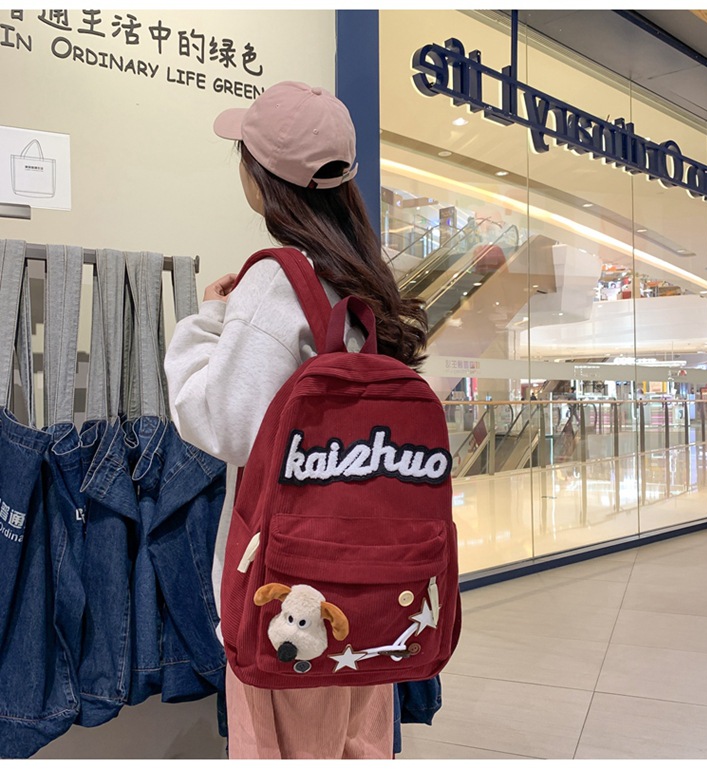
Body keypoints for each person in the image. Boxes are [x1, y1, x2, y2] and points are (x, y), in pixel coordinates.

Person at [163, 81, 428, 759]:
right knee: (359, 746)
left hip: (288, 594)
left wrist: (207, 320)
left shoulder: (276, 283)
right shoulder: (364, 280)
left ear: (263, 178)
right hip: (369, 583)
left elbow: (220, 423)